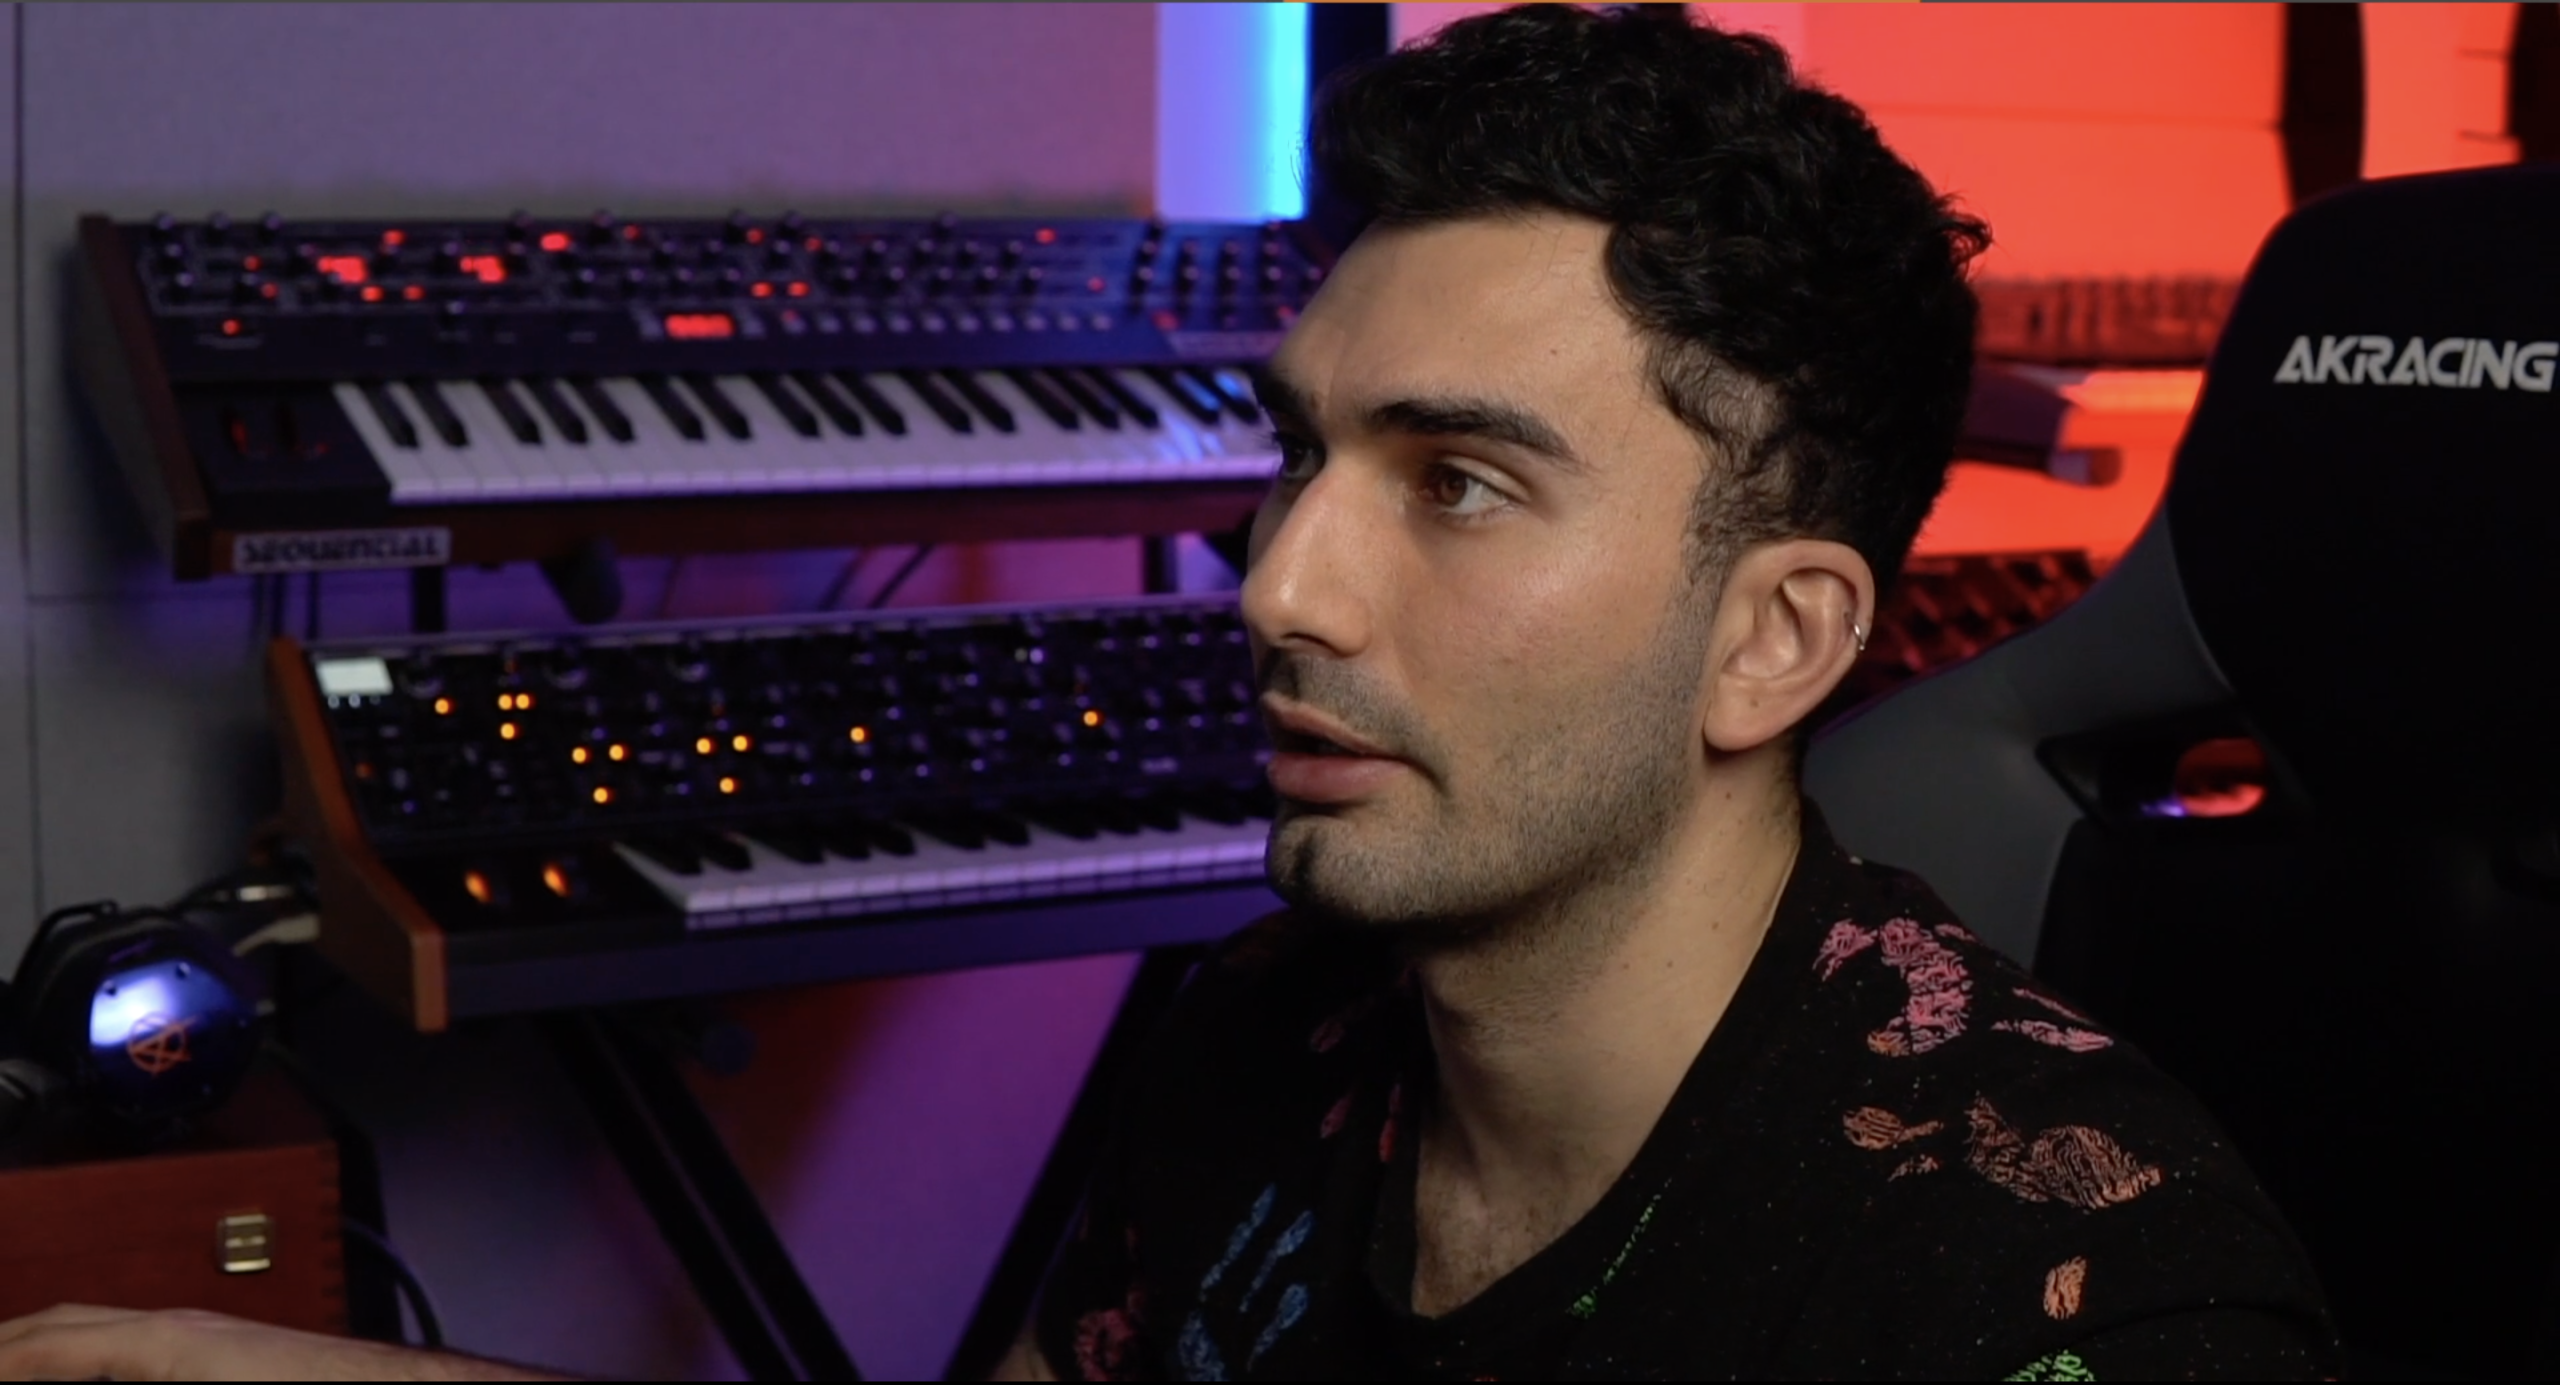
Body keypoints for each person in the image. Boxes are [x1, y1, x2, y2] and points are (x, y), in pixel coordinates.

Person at [0, 7, 2336, 1382]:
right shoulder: (1266, 1027)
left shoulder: (2059, 1287)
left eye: (1459, 485)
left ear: (1776, 640)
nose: (1277, 578)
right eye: (1298, 450)